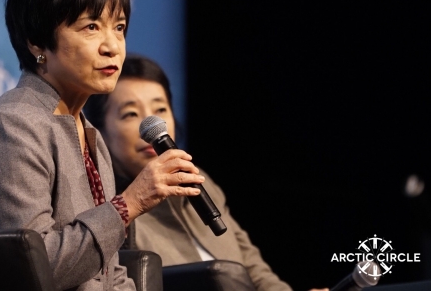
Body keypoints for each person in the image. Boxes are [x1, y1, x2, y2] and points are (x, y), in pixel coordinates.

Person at [0, 0, 206, 291]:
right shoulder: (10, 127)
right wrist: (130, 203)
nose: (113, 46)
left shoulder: (88, 132)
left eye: (119, 27)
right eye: (91, 27)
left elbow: (109, 271)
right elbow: (39, 269)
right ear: (37, 42)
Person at [84, 54, 328, 291]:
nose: (151, 125)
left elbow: (253, 267)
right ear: (101, 129)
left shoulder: (200, 180)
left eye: (160, 110)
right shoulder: (108, 206)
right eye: (131, 114)